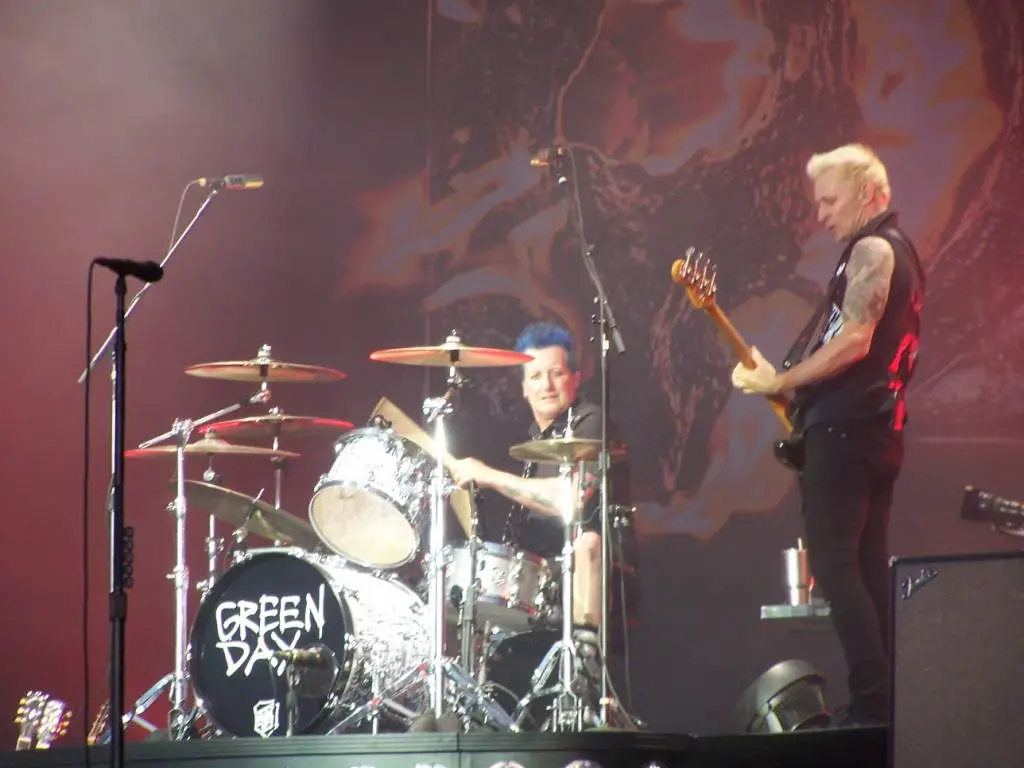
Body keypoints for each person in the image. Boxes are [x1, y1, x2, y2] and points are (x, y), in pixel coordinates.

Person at [730, 143, 925, 726]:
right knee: (865, 565)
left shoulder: (873, 248)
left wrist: (782, 380)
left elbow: (856, 339)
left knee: (837, 566)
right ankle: (890, 701)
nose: (820, 214)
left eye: (830, 200)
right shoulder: (899, 252)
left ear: (867, 194)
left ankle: (874, 702)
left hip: (846, 431)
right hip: (875, 431)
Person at [449, 322, 634, 659]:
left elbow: (569, 498)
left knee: (587, 542)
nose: (546, 386)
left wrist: (488, 476)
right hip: (539, 588)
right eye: (535, 376)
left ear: (576, 378)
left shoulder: (591, 422)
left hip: (589, 585)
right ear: (523, 388)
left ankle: (584, 665)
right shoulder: (536, 439)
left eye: (556, 374)